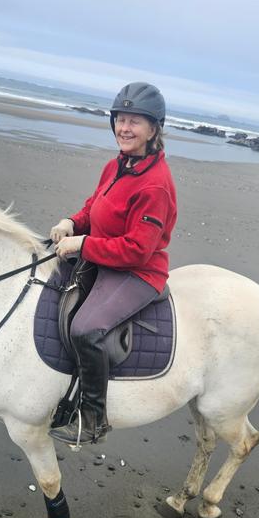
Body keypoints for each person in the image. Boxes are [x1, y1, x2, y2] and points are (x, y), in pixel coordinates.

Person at [48, 82, 177, 445]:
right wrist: (72, 222)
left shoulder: (155, 186)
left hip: (137, 273)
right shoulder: (117, 165)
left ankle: (92, 419)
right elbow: (95, 205)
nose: (124, 127)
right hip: (102, 257)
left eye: (135, 121)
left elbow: (137, 250)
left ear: (154, 129)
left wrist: (83, 244)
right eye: (120, 119)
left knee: (86, 329)